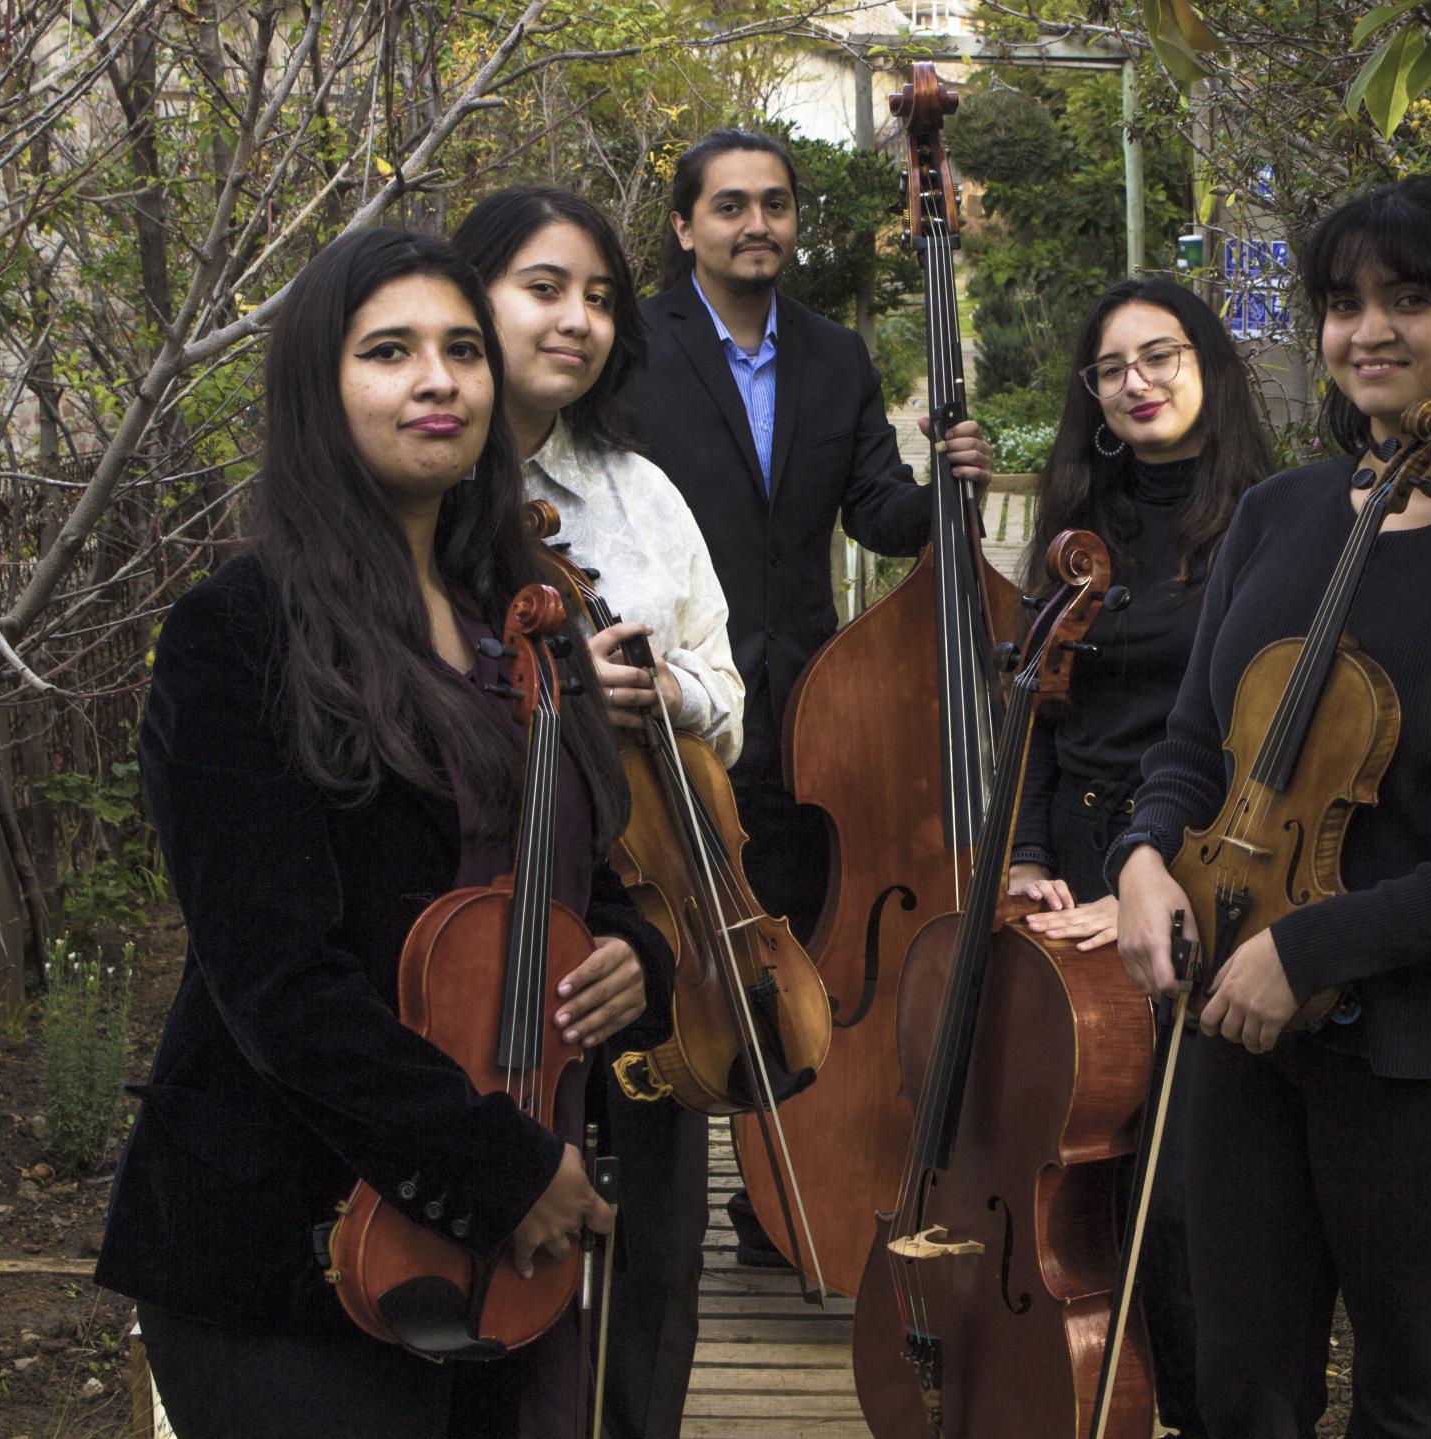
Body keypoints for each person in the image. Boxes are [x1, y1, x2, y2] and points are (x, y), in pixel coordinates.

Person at [95, 228, 674, 1439]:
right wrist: (503, 1170)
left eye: (463, 349)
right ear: (321, 390)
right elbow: (277, 982)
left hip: (518, 1244)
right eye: (390, 350)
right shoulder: (239, 633)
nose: (440, 380)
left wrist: (636, 959)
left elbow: (587, 866)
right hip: (294, 1248)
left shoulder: (527, 619)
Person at [1109, 176, 1431, 1438]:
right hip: (1241, 1027)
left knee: (1412, 1397)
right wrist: (1139, 857)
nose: (1368, 332)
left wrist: (1311, 945)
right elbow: (1194, 745)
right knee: (1240, 1386)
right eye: (1344, 304)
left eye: (1413, 298)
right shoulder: (1282, 513)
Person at [627, 126, 995, 1274]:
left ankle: (783, 1205)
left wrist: (947, 489)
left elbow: (875, 509)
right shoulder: (633, 348)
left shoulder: (836, 357)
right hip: (675, 700)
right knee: (675, 947)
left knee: (802, 953)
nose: (756, 224)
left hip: (808, 710)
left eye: (775, 205)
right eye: (730, 205)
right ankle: (661, 1195)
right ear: (686, 224)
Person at [452, 185, 742, 1439]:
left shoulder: (640, 493)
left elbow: (734, 702)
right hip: (485, 933)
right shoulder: (423, 484)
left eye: (600, 296)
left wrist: (661, 686)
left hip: (651, 904)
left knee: (652, 1267)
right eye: (542, 287)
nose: (576, 318)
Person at [1000, 275, 1272, 1435]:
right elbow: (1035, 718)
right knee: (1070, 1157)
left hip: (1196, 865)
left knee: (1183, 1190)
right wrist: (1019, 856)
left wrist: (1147, 879)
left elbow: (1256, 739)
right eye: (1112, 369)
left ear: (1207, 361)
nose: (1137, 383)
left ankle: (1203, 1406)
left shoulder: (1267, 515)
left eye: (1158, 356)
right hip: (1072, 851)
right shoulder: (1077, 524)